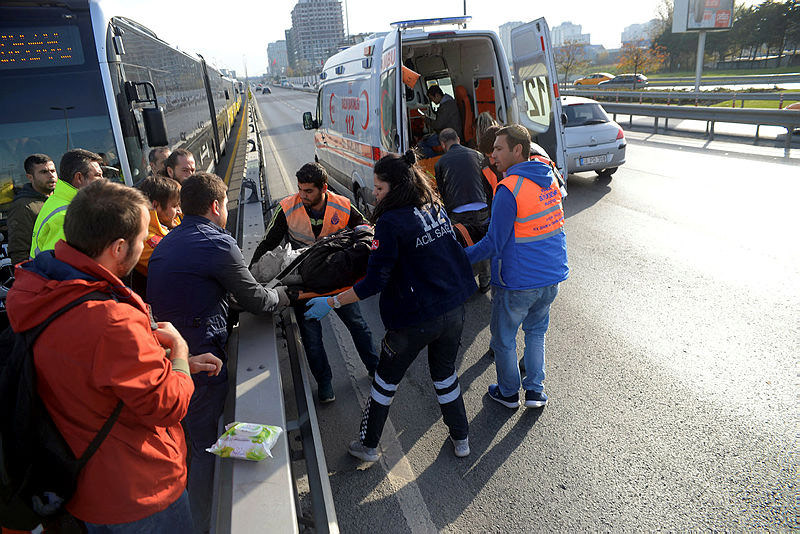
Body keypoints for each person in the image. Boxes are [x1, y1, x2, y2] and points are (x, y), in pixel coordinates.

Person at [5, 180, 219, 532]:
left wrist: (164, 365)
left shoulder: (38, 290)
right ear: (119, 248)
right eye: (141, 236)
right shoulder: (110, 320)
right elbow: (167, 406)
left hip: (84, 487)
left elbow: (91, 373)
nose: (146, 242)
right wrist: (179, 354)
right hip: (139, 492)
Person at [305, 151, 476, 462]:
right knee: (445, 376)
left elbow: (374, 282)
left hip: (412, 319)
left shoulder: (390, 222)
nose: (375, 194)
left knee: (384, 382)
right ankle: (461, 438)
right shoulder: (434, 207)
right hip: (452, 309)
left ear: (395, 187)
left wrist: (331, 301)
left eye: (379, 188)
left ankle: (368, 445)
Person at [146, 172, 286, 534]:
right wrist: (284, 296)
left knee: (190, 445)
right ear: (215, 206)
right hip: (202, 363)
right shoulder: (217, 243)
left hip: (171, 361)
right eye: (224, 205)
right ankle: (203, 523)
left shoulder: (166, 242)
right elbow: (256, 299)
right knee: (205, 449)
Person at [250, 162, 379, 403]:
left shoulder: (342, 205)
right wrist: (250, 279)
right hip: (304, 282)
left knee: (358, 325)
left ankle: (375, 369)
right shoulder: (287, 208)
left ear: (324, 188)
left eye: (308, 191)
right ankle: (325, 384)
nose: (302, 195)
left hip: (338, 282)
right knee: (311, 338)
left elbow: (365, 228)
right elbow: (267, 244)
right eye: (300, 189)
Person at [465, 125, 569, 409]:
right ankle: (535, 391)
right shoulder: (547, 178)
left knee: (504, 339)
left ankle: (509, 393)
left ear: (517, 150)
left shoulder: (509, 188)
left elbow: (493, 243)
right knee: (536, 333)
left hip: (520, 280)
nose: (493, 155)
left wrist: (462, 257)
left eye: (498, 149)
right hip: (551, 274)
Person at [434, 128, 491, 292]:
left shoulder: (440, 163)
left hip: (458, 213)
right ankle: (485, 281)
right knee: (483, 241)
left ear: (443, 144)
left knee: (463, 245)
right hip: (482, 208)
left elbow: (443, 192)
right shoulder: (477, 155)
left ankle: (468, 281)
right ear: (458, 138)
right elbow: (486, 182)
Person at [29, 149, 104, 259]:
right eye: (98, 175)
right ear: (79, 178)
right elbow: (62, 269)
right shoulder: (66, 218)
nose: (103, 180)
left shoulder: (57, 200)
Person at [7, 154, 57, 264]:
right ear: (30, 177)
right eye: (44, 172)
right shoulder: (22, 207)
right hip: (44, 272)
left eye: (53, 171)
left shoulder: (62, 198)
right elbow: (19, 251)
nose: (51, 175)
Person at [135, 175, 180, 276]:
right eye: (174, 206)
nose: (179, 211)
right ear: (155, 206)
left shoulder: (167, 224)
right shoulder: (145, 239)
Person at [418, 85, 463, 158]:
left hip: (449, 135)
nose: (432, 101)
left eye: (432, 98)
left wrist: (426, 119)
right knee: (426, 137)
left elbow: (438, 125)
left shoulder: (446, 106)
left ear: (437, 95)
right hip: (449, 131)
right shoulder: (448, 102)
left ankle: (437, 160)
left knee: (422, 144)